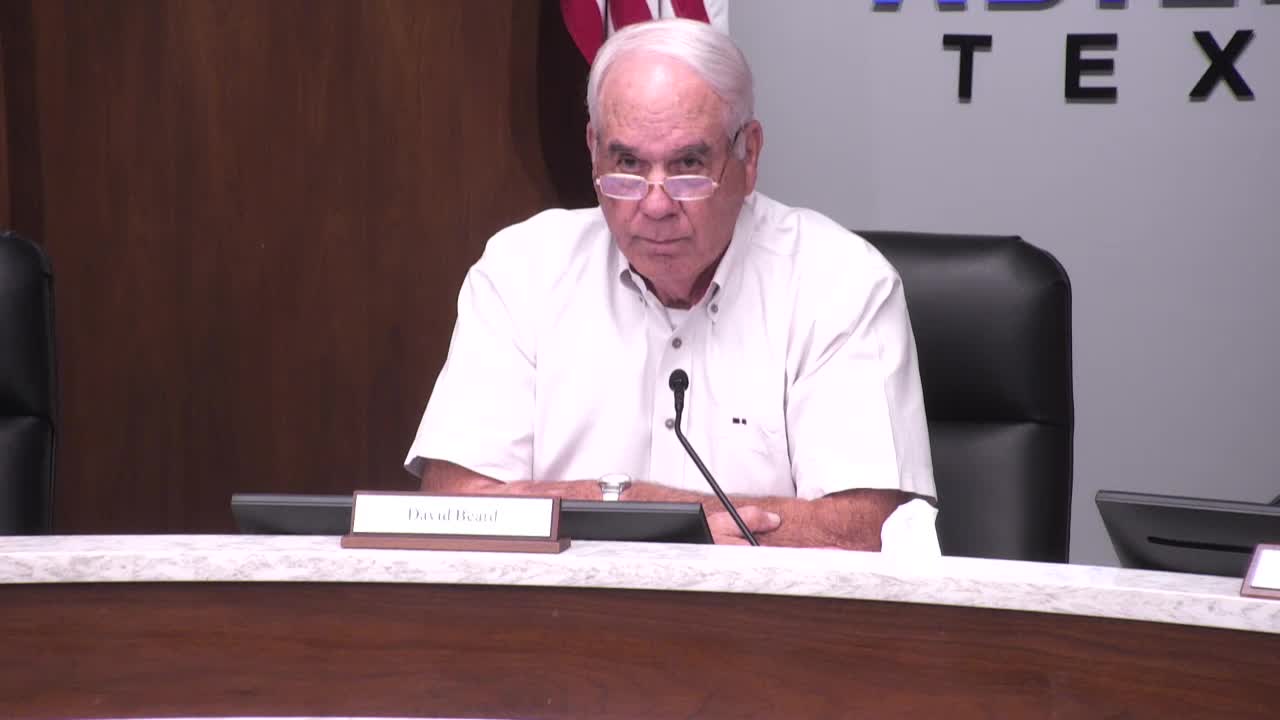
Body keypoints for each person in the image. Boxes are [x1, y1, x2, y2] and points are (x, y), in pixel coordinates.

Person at [405, 18, 936, 550]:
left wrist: (603, 515)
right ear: (593, 150)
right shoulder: (522, 270)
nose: (656, 205)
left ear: (748, 155)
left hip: (760, 605)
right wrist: (641, 510)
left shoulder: (840, 283)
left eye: (688, 163)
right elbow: (456, 502)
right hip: (563, 603)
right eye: (628, 163)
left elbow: (866, 529)